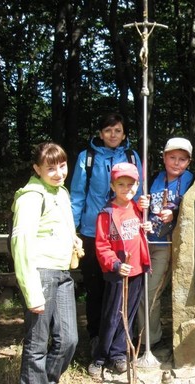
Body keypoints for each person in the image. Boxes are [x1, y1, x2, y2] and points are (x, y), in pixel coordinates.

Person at [10, 143, 80, 384]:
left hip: (63, 272)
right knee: (37, 344)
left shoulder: (60, 192)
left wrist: (72, 239)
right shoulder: (31, 196)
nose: (58, 172)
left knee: (69, 339)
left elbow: (60, 223)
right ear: (37, 169)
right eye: (50, 168)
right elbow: (21, 245)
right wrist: (31, 291)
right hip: (40, 273)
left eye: (62, 165)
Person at [70, 113, 142, 351]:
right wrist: (73, 230)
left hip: (125, 233)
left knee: (123, 288)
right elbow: (78, 195)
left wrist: (142, 221)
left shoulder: (131, 157)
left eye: (118, 131)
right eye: (108, 130)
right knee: (96, 287)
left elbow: (138, 195)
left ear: (124, 135)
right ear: (100, 134)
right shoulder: (87, 157)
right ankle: (96, 336)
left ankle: (120, 342)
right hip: (93, 232)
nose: (113, 135)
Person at [88, 163, 152, 377]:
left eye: (131, 184)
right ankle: (99, 357)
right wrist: (115, 264)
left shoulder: (138, 209)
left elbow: (144, 232)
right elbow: (102, 245)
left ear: (137, 185)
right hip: (118, 273)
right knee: (112, 316)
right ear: (113, 186)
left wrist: (149, 225)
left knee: (129, 316)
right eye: (121, 184)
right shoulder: (107, 213)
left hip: (136, 272)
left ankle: (118, 354)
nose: (127, 189)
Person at [137, 137, 195, 349]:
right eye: (172, 157)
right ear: (164, 157)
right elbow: (140, 205)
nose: (177, 163)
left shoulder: (193, 180)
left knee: (149, 292)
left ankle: (149, 341)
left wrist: (176, 213)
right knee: (140, 291)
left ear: (188, 162)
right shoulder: (154, 178)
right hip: (144, 241)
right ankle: (145, 335)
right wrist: (140, 203)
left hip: (167, 245)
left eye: (182, 159)